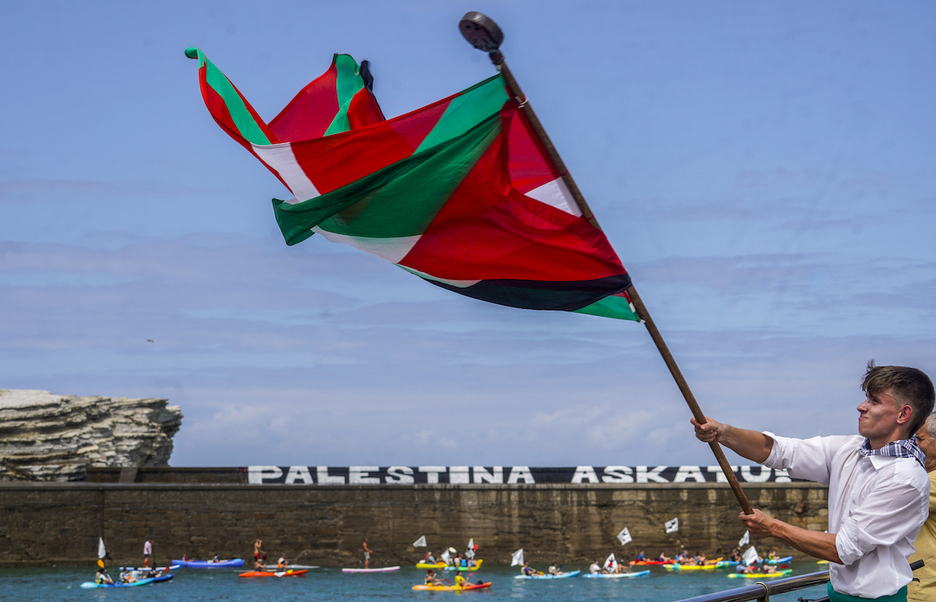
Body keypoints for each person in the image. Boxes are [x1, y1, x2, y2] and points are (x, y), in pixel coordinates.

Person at [692, 361, 934, 601]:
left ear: (903, 414)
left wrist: (773, 527)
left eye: (875, 401)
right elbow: (781, 450)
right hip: (837, 594)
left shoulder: (905, 478)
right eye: (866, 398)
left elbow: (843, 549)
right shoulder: (849, 449)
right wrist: (723, 432)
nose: (862, 407)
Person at [909, 412, 936, 602]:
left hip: (923, 588)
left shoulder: (929, 484)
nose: (915, 444)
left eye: (920, 438)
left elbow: (890, 499)